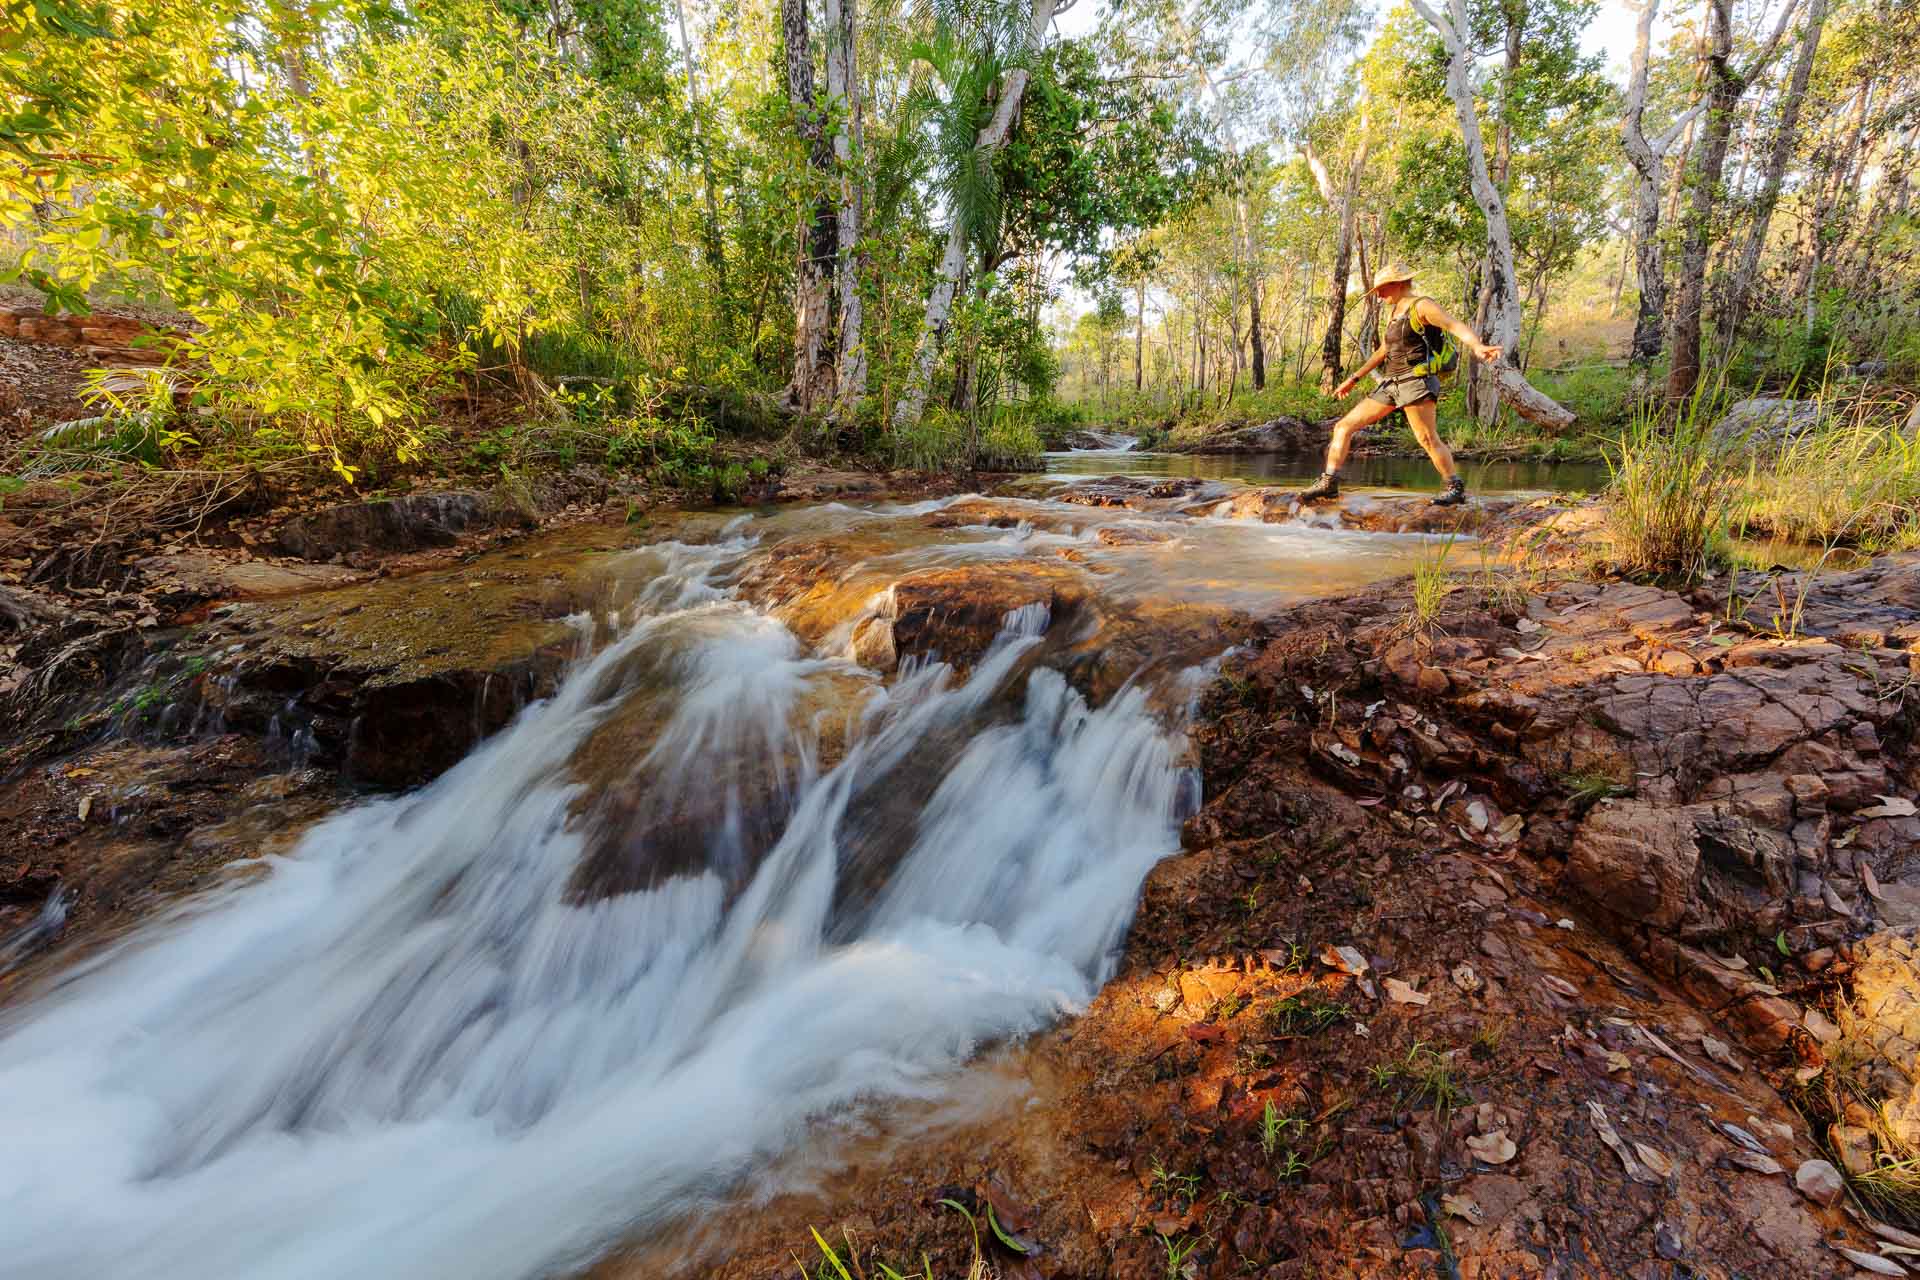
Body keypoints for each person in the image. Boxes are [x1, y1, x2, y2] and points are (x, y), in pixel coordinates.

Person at [1297, 265, 1504, 507]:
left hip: (1416, 382)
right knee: (1344, 426)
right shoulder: (1395, 311)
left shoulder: (1422, 305)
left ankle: (1454, 486)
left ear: (1397, 284)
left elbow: (1453, 325)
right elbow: (1384, 351)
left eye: (1381, 289)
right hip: (1391, 383)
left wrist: (1477, 346)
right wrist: (1353, 379)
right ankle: (1329, 483)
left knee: (1426, 438)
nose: (1378, 295)